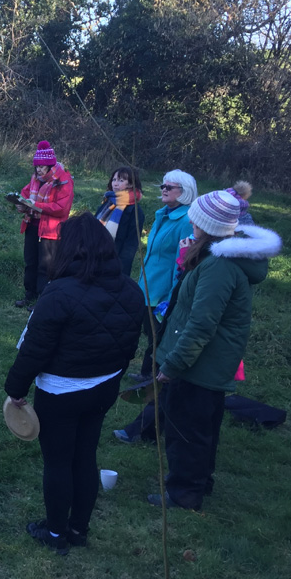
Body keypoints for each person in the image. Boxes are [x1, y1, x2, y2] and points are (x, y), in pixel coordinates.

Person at [5, 213, 145, 555]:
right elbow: (129, 343)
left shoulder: (58, 294)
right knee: (85, 455)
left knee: (58, 462)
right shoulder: (131, 289)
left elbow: (34, 350)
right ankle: (78, 529)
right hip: (103, 389)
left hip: (61, 392)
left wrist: (16, 388)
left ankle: (55, 534)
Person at [148, 191, 281, 511]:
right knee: (202, 426)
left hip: (199, 366)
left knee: (187, 429)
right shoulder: (216, 257)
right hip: (207, 364)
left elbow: (201, 324)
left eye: (197, 219)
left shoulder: (220, 266)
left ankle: (184, 494)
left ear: (209, 225)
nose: (191, 222)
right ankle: (199, 482)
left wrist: (173, 364)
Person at [113, 169, 198, 444]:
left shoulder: (186, 220)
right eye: (162, 185)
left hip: (163, 296)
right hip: (145, 291)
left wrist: (169, 300)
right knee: (145, 341)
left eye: (169, 187)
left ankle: (147, 417)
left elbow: (183, 264)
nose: (163, 189)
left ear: (184, 193)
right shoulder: (162, 215)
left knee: (159, 349)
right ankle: (138, 383)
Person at [14, 140, 74, 310]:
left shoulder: (63, 180)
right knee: (30, 261)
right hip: (32, 224)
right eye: (37, 166)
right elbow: (25, 194)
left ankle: (43, 299)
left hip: (51, 230)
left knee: (46, 265)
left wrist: (35, 205)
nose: (38, 169)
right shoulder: (35, 178)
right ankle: (29, 295)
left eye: (42, 166)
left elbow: (62, 208)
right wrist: (21, 204)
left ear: (50, 165)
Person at [94, 166, 144, 275]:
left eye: (121, 180)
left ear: (131, 184)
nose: (115, 184)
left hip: (114, 262)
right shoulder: (108, 202)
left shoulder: (134, 211)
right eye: (114, 180)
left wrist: (120, 270)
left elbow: (130, 245)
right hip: (95, 257)